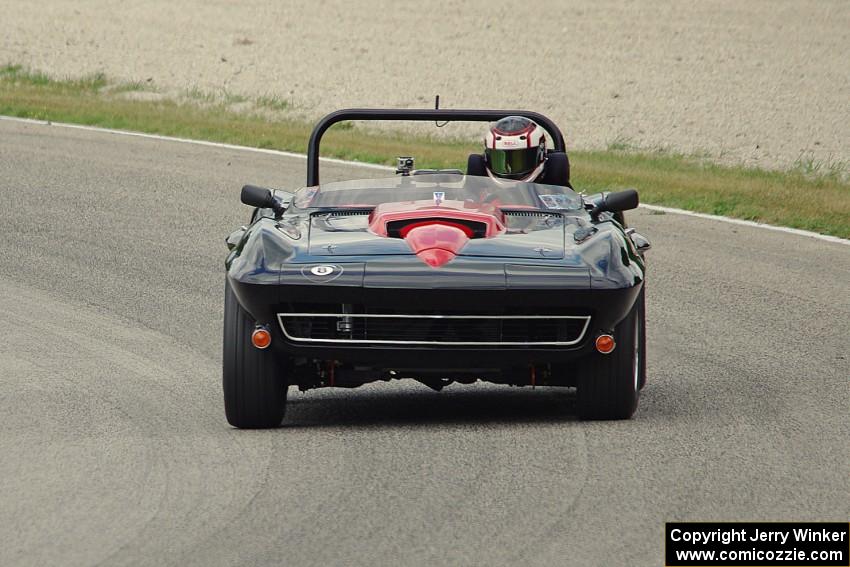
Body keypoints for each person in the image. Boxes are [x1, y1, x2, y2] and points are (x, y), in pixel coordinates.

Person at [483, 116, 547, 182]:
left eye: (521, 158)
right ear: (487, 157)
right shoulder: (479, 182)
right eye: (497, 159)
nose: (509, 169)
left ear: (541, 154)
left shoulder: (554, 181)